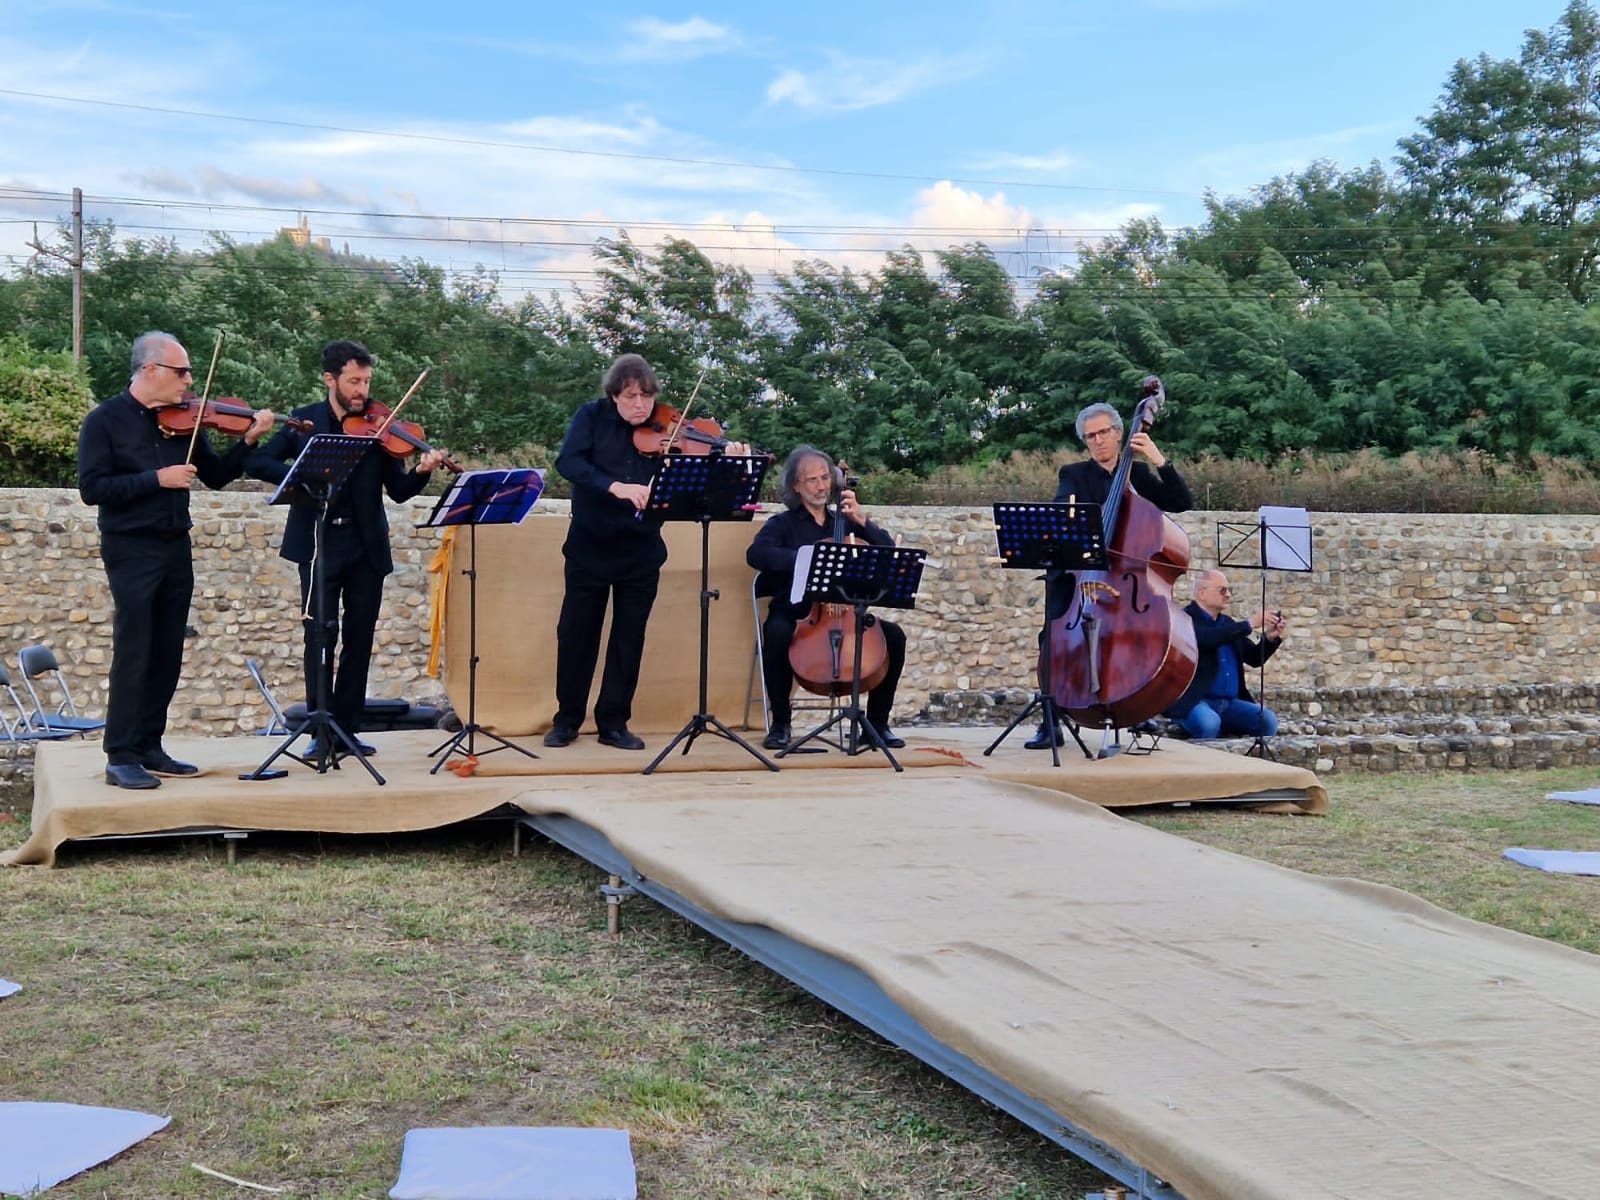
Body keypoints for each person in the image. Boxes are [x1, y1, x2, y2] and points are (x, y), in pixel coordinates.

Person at [77, 331, 275, 789]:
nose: (189, 381)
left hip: (174, 544)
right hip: (130, 546)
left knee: (167, 649)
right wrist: (157, 479)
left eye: (188, 372)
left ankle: (149, 744)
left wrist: (248, 441)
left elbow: (220, 477)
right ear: (150, 370)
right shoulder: (104, 421)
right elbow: (93, 489)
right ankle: (120, 753)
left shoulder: (183, 423)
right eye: (180, 371)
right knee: (135, 648)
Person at [245, 340, 444, 757]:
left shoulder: (380, 426)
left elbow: (401, 491)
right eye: (354, 381)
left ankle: (347, 730)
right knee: (319, 634)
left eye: (367, 381)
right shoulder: (304, 422)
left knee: (359, 637)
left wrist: (423, 471)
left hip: (366, 544)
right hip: (318, 541)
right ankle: (322, 730)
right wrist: (300, 476)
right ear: (330, 379)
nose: (362, 390)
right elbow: (259, 462)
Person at [544, 354, 750, 750]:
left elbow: (704, 483)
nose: (640, 405)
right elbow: (568, 462)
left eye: (646, 396)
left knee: (629, 638)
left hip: (641, 550)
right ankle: (567, 720)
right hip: (589, 546)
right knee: (576, 635)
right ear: (614, 395)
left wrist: (733, 461)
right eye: (630, 396)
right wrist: (614, 486)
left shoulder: (672, 428)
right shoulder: (591, 417)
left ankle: (614, 724)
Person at [1028, 399, 1194, 748]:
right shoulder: (1074, 475)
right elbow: (1064, 515)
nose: (1098, 440)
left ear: (1119, 433)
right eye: (1091, 436)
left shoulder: (1139, 476)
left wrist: (1159, 460)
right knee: (1053, 637)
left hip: (1127, 580)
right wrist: (1087, 566)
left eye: (1104, 432)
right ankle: (1050, 721)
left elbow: (1180, 502)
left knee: (1136, 635)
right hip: (1078, 576)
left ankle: (1133, 703)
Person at [746, 445, 908, 751]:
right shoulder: (782, 524)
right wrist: (805, 558)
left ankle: (875, 725)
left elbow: (888, 553)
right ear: (796, 485)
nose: (821, 486)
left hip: (847, 614)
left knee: (894, 637)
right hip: (798, 613)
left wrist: (863, 521)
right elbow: (756, 554)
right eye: (812, 480)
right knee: (777, 633)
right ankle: (781, 723)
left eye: (825, 478)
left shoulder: (845, 522)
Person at [1165, 568, 1285, 740]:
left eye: (1229, 590)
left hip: (1230, 704)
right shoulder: (1184, 620)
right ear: (1202, 593)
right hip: (1196, 701)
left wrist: (1269, 638)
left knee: (1267, 721)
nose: (1228, 595)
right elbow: (1206, 639)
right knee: (1209, 724)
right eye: (1222, 590)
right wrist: (1249, 624)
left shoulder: (1227, 624)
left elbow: (1253, 658)